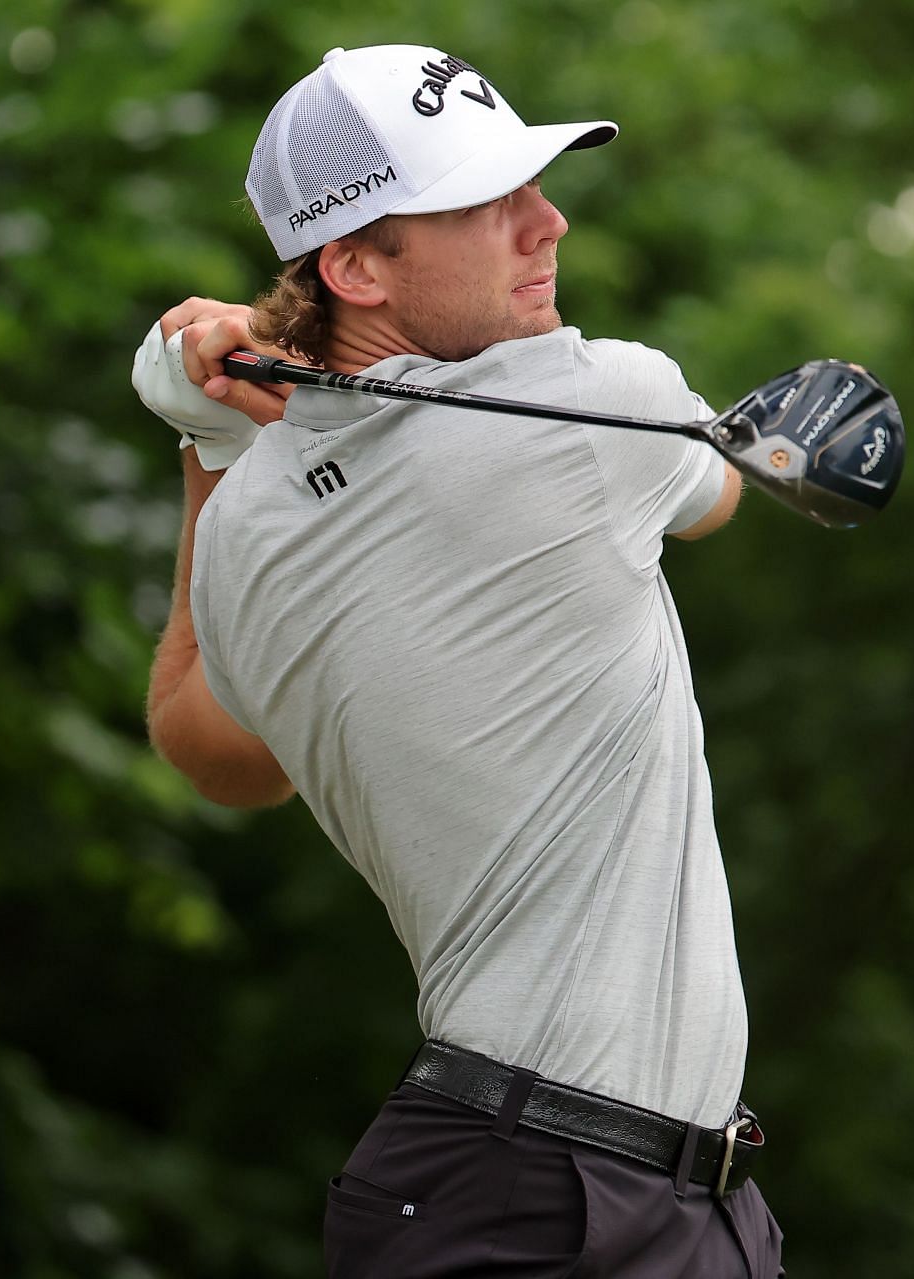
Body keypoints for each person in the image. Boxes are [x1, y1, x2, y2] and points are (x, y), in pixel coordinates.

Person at [132, 44, 783, 1278]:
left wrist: (208, 435)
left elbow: (208, 747)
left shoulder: (253, 533)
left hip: (566, 1189)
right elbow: (718, 500)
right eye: (489, 202)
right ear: (357, 265)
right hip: (554, 1198)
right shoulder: (598, 414)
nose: (550, 221)